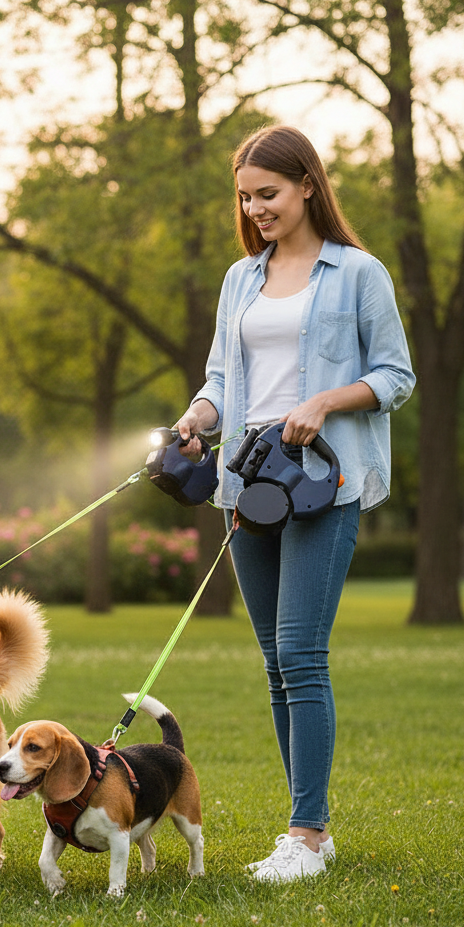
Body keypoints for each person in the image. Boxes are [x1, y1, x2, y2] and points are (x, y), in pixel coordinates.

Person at [174, 125, 414, 883]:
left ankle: (306, 836)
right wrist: (196, 418)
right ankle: (309, 831)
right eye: (246, 197)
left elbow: (396, 376)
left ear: (308, 184)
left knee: (304, 656)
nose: (256, 208)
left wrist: (324, 401)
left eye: (268, 194)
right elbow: (221, 378)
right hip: (247, 484)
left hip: (322, 480)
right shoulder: (241, 279)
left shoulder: (359, 274)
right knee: (277, 663)